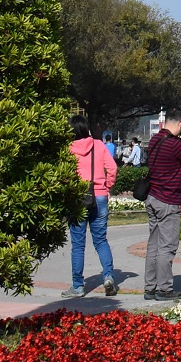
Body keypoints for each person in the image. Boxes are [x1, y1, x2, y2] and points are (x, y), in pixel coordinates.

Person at [144, 108, 181, 301]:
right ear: (179, 123)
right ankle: (164, 289)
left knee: (153, 244)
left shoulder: (154, 140)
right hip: (168, 200)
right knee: (167, 246)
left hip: (152, 197)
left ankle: (150, 287)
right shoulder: (174, 145)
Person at [63, 114, 119, 298]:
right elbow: (112, 168)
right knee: (101, 240)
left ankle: (78, 286)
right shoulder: (99, 145)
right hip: (100, 196)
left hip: (78, 198)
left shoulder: (68, 150)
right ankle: (109, 277)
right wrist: (107, 186)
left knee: (78, 245)